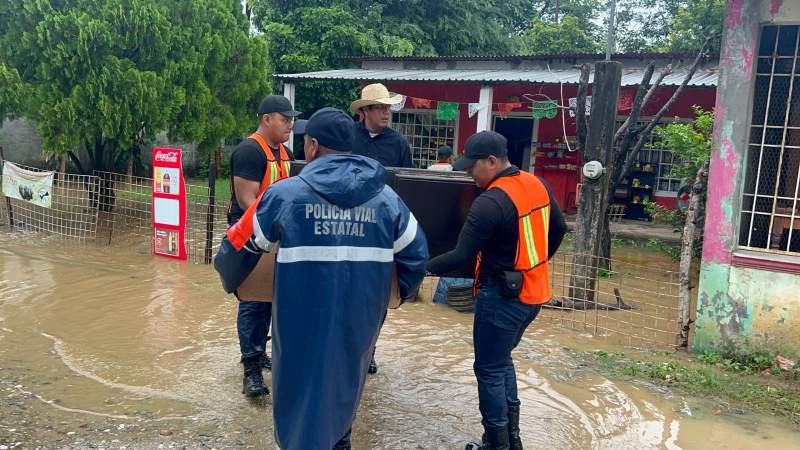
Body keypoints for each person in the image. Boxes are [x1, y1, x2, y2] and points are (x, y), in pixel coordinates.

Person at [246, 108, 429, 450]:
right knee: (345, 389)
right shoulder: (388, 200)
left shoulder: (285, 196)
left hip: (298, 321)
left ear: (313, 146)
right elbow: (417, 256)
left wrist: (237, 286)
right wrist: (393, 295)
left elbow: (237, 251)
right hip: (360, 320)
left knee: (296, 398)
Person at [426, 131, 567, 450]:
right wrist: (535, 264)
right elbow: (558, 230)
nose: (468, 174)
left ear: (492, 161)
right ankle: (511, 439)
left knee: (488, 368)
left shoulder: (491, 201)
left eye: (472, 167)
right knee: (501, 361)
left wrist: (415, 267)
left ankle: (496, 443)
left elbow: (460, 256)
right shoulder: (538, 184)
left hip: (501, 298)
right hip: (534, 295)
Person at [227, 94, 300, 397]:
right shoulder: (249, 151)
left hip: (277, 236)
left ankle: (260, 352)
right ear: (266, 119)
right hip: (253, 238)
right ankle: (251, 369)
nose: (290, 125)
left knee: (273, 299)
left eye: (292, 119)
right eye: (285, 119)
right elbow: (246, 200)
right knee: (254, 302)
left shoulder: (285, 152)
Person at [350, 83, 413, 168]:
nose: (386, 112)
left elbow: (404, 177)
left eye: (388, 106)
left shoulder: (398, 143)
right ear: (366, 110)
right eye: (379, 107)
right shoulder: (349, 134)